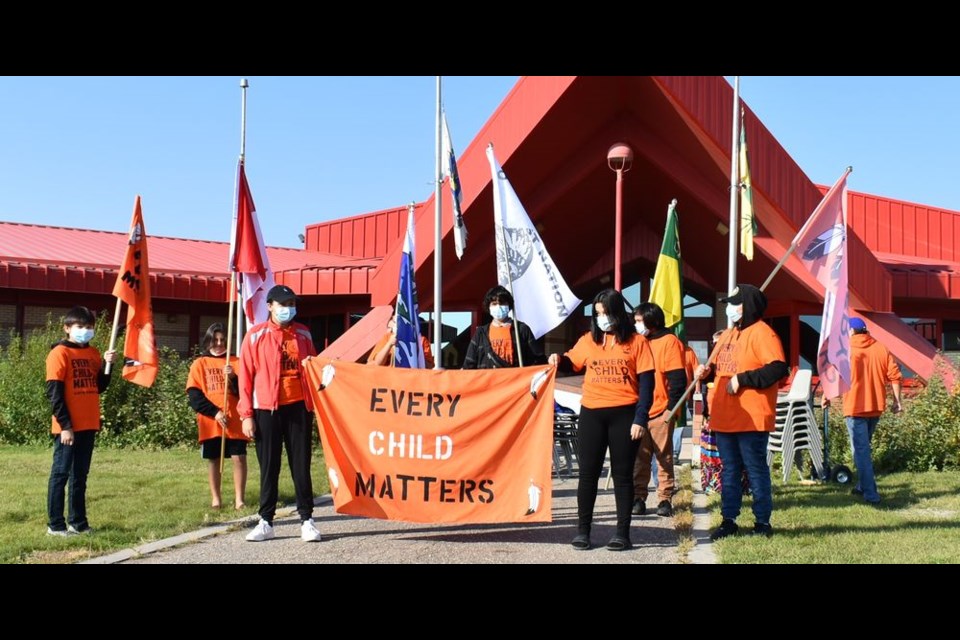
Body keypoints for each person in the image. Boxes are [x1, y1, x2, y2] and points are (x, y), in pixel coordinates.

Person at [548, 289, 654, 551]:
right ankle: (583, 531)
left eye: (605, 313)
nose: (601, 319)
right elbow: (571, 363)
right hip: (592, 414)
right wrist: (557, 359)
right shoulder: (589, 340)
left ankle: (622, 534)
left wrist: (641, 418)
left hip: (625, 414)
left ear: (617, 313)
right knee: (588, 475)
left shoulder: (637, 343)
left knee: (622, 476)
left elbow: (647, 385)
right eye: (597, 314)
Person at [695, 284, 788, 540]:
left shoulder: (763, 334)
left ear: (746, 305)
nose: (729, 308)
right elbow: (718, 367)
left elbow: (778, 368)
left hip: (752, 418)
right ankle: (729, 520)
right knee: (730, 470)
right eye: (728, 303)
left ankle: (762, 522)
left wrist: (743, 379)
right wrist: (706, 372)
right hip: (724, 417)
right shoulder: (727, 334)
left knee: (755, 469)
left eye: (734, 303)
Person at [239, 284, 321, 543]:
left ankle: (307, 520)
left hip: (298, 407)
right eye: (283, 304)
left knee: (301, 465)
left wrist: (318, 405)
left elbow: (314, 369)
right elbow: (245, 378)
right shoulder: (255, 335)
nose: (288, 309)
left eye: (292, 304)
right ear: (270, 306)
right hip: (266, 409)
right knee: (269, 467)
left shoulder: (304, 334)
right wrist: (246, 415)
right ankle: (266, 521)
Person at [45, 306, 116, 536]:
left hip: (89, 424)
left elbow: (100, 387)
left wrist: (108, 365)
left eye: (88, 327)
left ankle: (78, 522)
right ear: (67, 328)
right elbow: (54, 393)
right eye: (79, 327)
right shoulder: (59, 354)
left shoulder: (93, 353)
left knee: (80, 477)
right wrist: (65, 426)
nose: (84, 331)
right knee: (61, 474)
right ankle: (55, 525)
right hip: (68, 428)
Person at [824, 317, 902, 505]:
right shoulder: (881, 348)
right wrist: (898, 402)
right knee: (862, 448)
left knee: (861, 452)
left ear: (850, 331)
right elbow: (895, 376)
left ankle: (871, 494)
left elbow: (835, 376)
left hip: (855, 408)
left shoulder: (846, 350)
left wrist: (826, 396)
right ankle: (861, 486)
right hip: (875, 408)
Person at [186, 322, 249, 510]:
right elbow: (194, 396)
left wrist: (233, 379)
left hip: (235, 420)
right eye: (215, 339)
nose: (219, 343)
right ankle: (216, 499)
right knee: (214, 459)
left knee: (239, 458)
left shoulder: (236, 362)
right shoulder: (199, 364)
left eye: (223, 340)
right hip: (211, 422)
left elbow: (245, 392)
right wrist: (215, 412)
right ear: (208, 341)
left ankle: (240, 499)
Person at [631, 303, 686, 517]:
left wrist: (670, 411)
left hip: (661, 410)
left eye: (638, 320)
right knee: (639, 458)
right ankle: (638, 498)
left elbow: (677, 381)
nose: (635, 325)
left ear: (650, 321)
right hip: (639, 412)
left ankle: (664, 499)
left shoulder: (669, 342)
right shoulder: (637, 341)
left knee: (663, 457)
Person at [463, 285, 546, 369]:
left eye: (502, 303)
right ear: (489, 307)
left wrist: (553, 359)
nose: (498, 306)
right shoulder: (481, 333)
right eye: (494, 304)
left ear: (509, 305)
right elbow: (469, 365)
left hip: (515, 380)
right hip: (489, 381)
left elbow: (538, 360)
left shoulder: (521, 329)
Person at [367, 314, 435, 368]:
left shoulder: (421, 340)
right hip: (389, 381)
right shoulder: (387, 338)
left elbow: (429, 367)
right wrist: (389, 344)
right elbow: (377, 363)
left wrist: (416, 350)